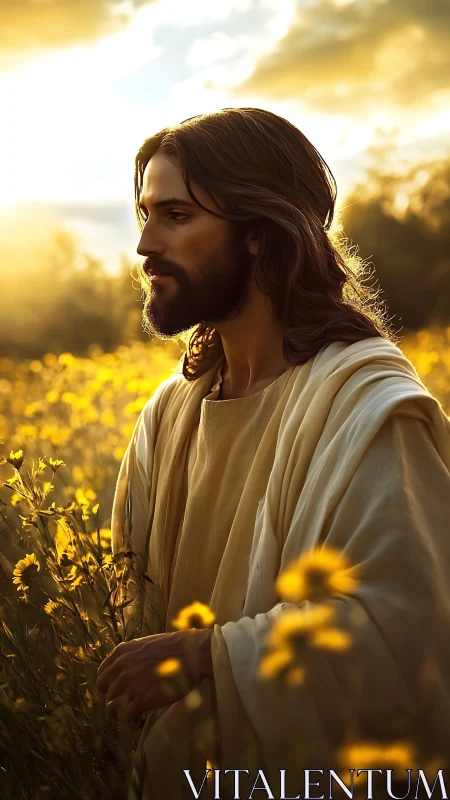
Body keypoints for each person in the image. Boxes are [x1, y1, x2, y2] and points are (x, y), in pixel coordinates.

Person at [95, 108, 450, 800]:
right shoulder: (169, 414)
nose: (144, 244)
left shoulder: (363, 405)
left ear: (259, 232)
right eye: (145, 215)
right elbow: (124, 614)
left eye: (176, 216)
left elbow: (407, 632)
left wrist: (207, 656)